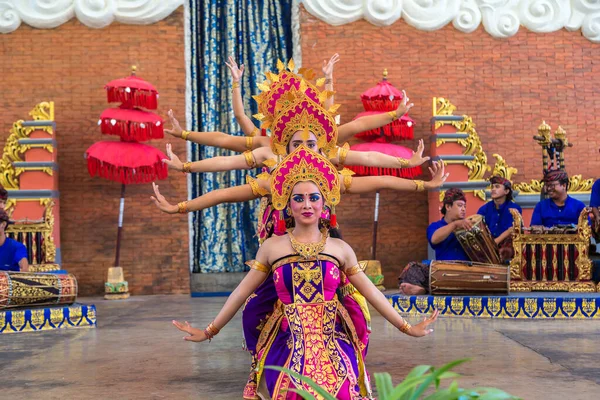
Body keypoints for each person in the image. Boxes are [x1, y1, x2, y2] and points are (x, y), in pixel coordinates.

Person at [172, 146, 438, 399]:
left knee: (344, 392)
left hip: (333, 341)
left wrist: (406, 327)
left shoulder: (340, 249)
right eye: (298, 198)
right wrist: (209, 331)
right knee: (290, 392)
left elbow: (371, 293)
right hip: (288, 340)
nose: (307, 204)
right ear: (288, 205)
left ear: (325, 204)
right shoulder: (272, 248)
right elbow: (242, 292)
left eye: (314, 198)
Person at [477, 176, 522, 260]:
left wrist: (494, 243)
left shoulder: (514, 209)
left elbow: (511, 230)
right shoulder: (484, 208)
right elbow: (478, 228)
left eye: (497, 187)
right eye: (492, 187)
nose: (493, 189)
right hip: (487, 246)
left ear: (506, 191)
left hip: (506, 248)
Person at [426, 188, 471, 261]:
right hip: (445, 270)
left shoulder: (466, 225)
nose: (463, 209)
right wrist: (455, 224)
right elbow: (434, 239)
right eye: (460, 205)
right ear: (448, 207)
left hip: (467, 270)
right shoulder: (434, 226)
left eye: (464, 206)